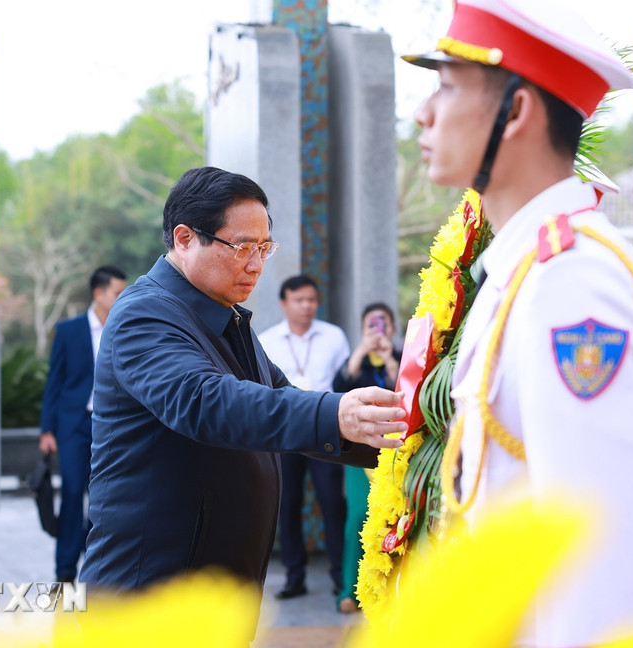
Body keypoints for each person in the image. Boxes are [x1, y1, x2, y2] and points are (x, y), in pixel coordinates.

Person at [404, 1, 633, 645]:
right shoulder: (526, 267)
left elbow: (597, 558)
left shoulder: (574, 282)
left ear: (516, 111)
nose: (423, 112)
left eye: (445, 84)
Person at [79, 167, 406, 639]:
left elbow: (280, 399)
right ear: (185, 238)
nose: (256, 264)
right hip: (149, 598)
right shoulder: (143, 314)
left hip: (212, 597)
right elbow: (206, 401)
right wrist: (336, 412)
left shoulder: (226, 318)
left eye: (263, 248)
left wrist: (394, 435)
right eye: (242, 247)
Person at [257, 275, 351, 600]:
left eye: (311, 299)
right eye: (299, 300)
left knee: (332, 503)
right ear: (284, 303)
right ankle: (294, 578)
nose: (307, 306)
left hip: (326, 429)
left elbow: (344, 381)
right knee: (287, 504)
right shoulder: (267, 340)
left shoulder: (334, 336)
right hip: (285, 433)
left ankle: (342, 578)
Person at [39, 265, 127, 584]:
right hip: (74, 425)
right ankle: (64, 573)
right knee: (73, 494)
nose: (122, 298)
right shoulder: (69, 330)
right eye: (117, 292)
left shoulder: (125, 327)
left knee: (103, 499)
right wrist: (47, 429)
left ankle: (97, 570)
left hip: (112, 427)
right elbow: (55, 381)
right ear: (98, 294)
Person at [331, 302, 402, 613]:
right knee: (357, 518)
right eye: (371, 325)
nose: (378, 331)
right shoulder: (355, 363)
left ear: (392, 328)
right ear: (362, 329)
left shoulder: (399, 357)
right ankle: (349, 590)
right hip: (360, 452)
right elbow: (338, 388)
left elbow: (407, 388)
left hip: (397, 451)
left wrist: (388, 358)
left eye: (383, 324)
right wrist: (361, 351)